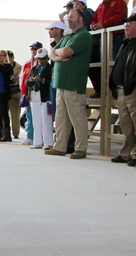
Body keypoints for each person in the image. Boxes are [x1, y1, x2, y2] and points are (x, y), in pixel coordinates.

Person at [46, 9, 92, 159]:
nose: (68, 19)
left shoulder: (84, 35)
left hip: (74, 83)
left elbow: (67, 52)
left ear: (80, 19)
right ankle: (60, 146)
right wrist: (58, 56)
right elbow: (52, 53)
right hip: (61, 83)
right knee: (61, 117)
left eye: (72, 17)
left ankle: (81, 148)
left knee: (77, 117)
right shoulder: (68, 36)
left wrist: (59, 53)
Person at [108, 13, 136, 166]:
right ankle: (126, 153)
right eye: (125, 23)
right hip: (121, 89)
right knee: (126, 124)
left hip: (134, 89)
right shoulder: (126, 43)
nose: (126, 26)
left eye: (130, 23)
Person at [89, 0, 129, 99]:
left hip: (115, 37)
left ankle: (115, 88)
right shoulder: (101, 5)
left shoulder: (119, 2)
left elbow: (120, 17)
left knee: (114, 62)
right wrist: (94, 25)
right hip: (103, 38)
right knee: (104, 64)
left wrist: (103, 24)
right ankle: (105, 89)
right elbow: (94, 18)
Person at [26, 48, 54, 150]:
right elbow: (27, 82)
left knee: (46, 120)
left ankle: (48, 143)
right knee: (36, 120)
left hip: (45, 97)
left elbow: (50, 82)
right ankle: (37, 141)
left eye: (43, 59)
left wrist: (42, 79)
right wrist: (31, 80)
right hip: (35, 96)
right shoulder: (34, 69)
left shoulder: (50, 68)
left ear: (47, 58)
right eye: (39, 59)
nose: (41, 61)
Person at [21, 41, 42, 145]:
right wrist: (23, 91)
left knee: (39, 115)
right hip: (28, 93)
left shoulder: (41, 63)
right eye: (32, 49)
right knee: (29, 115)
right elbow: (22, 78)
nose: (33, 51)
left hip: (39, 93)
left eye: (35, 49)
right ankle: (30, 135)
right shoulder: (26, 64)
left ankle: (39, 136)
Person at [5, 50, 21, 140]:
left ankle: (16, 132)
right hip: (4, 92)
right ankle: (5, 131)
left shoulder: (19, 67)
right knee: (4, 114)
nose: (9, 59)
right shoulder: (3, 67)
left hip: (15, 93)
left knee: (15, 114)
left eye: (10, 57)